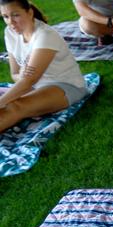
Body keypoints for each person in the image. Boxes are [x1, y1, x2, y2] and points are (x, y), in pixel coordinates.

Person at [0, 0, 87, 132]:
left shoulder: (45, 35)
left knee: (15, 106)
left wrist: (3, 100)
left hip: (65, 85)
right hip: (34, 87)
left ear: (29, 13)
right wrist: (23, 78)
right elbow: (15, 74)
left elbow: (29, 80)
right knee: (9, 103)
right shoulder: (10, 33)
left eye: (15, 15)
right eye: (6, 17)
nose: (11, 22)